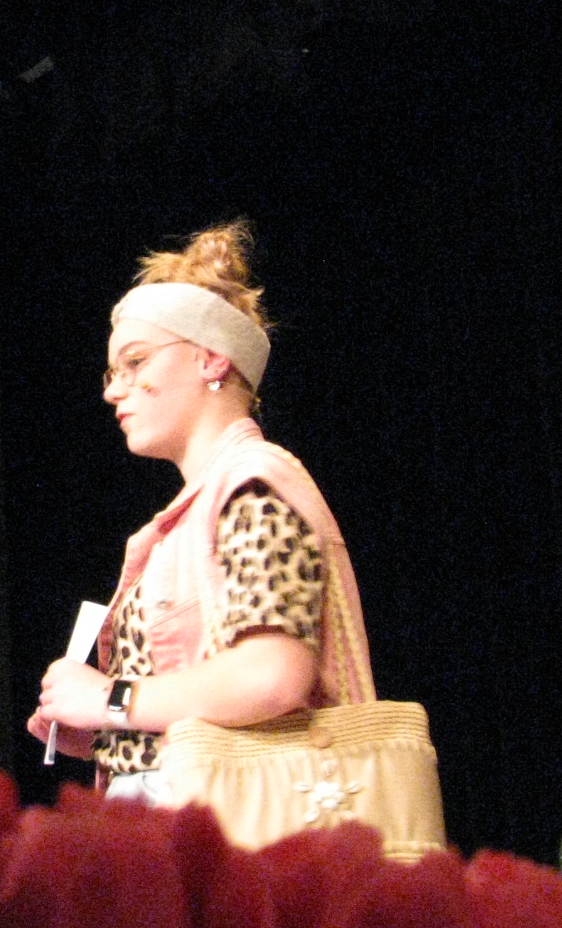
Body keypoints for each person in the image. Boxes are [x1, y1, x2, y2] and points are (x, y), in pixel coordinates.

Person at [28, 221, 375, 800]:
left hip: (240, 822)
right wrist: (99, 723)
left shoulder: (253, 486)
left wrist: (111, 698)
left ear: (212, 360)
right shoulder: (186, 521)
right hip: (178, 810)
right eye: (113, 372)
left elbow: (272, 676)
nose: (114, 390)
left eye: (136, 362)